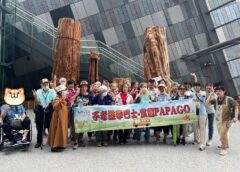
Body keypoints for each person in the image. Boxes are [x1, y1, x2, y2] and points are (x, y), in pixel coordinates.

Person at [206, 86, 239, 155]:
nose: (218, 92)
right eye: (217, 91)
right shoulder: (215, 99)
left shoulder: (229, 99)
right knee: (221, 134)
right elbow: (207, 103)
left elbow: (236, 107)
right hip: (218, 120)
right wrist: (210, 95)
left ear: (224, 91)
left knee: (222, 133)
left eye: (220, 91)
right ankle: (223, 143)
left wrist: (236, 117)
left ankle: (224, 148)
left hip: (227, 120)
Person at [32, 78, 57, 148]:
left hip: (50, 109)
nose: (46, 84)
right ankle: (39, 142)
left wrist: (50, 105)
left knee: (50, 126)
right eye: (44, 83)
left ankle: (51, 141)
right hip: (41, 109)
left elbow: (54, 100)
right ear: (41, 85)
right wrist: (35, 97)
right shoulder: (38, 91)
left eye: (47, 83)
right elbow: (37, 102)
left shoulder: (52, 91)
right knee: (40, 126)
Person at [47, 85, 68, 152]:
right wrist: (61, 100)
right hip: (58, 117)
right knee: (57, 130)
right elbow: (55, 107)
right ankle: (54, 146)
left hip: (63, 117)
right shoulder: (57, 98)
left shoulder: (63, 98)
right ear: (61, 92)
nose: (65, 91)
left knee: (62, 130)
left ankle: (61, 144)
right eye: (64, 90)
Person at [72, 80, 93, 149]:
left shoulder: (89, 95)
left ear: (87, 88)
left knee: (83, 127)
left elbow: (91, 105)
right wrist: (76, 94)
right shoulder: (77, 94)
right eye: (82, 87)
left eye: (85, 87)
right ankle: (76, 142)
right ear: (80, 87)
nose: (84, 88)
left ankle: (80, 140)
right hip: (77, 114)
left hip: (85, 115)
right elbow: (71, 101)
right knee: (76, 128)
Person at [191, 83, 207, 151]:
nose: (197, 87)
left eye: (198, 86)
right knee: (195, 127)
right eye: (195, 86)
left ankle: (203, 143)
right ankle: (197, 140)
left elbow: (204, 96)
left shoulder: (203, 92)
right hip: (194, 113)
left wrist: (200, 95)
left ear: (200, 87)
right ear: (194, 87)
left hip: (202, 113)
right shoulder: (192, 94)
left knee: (202, 128)